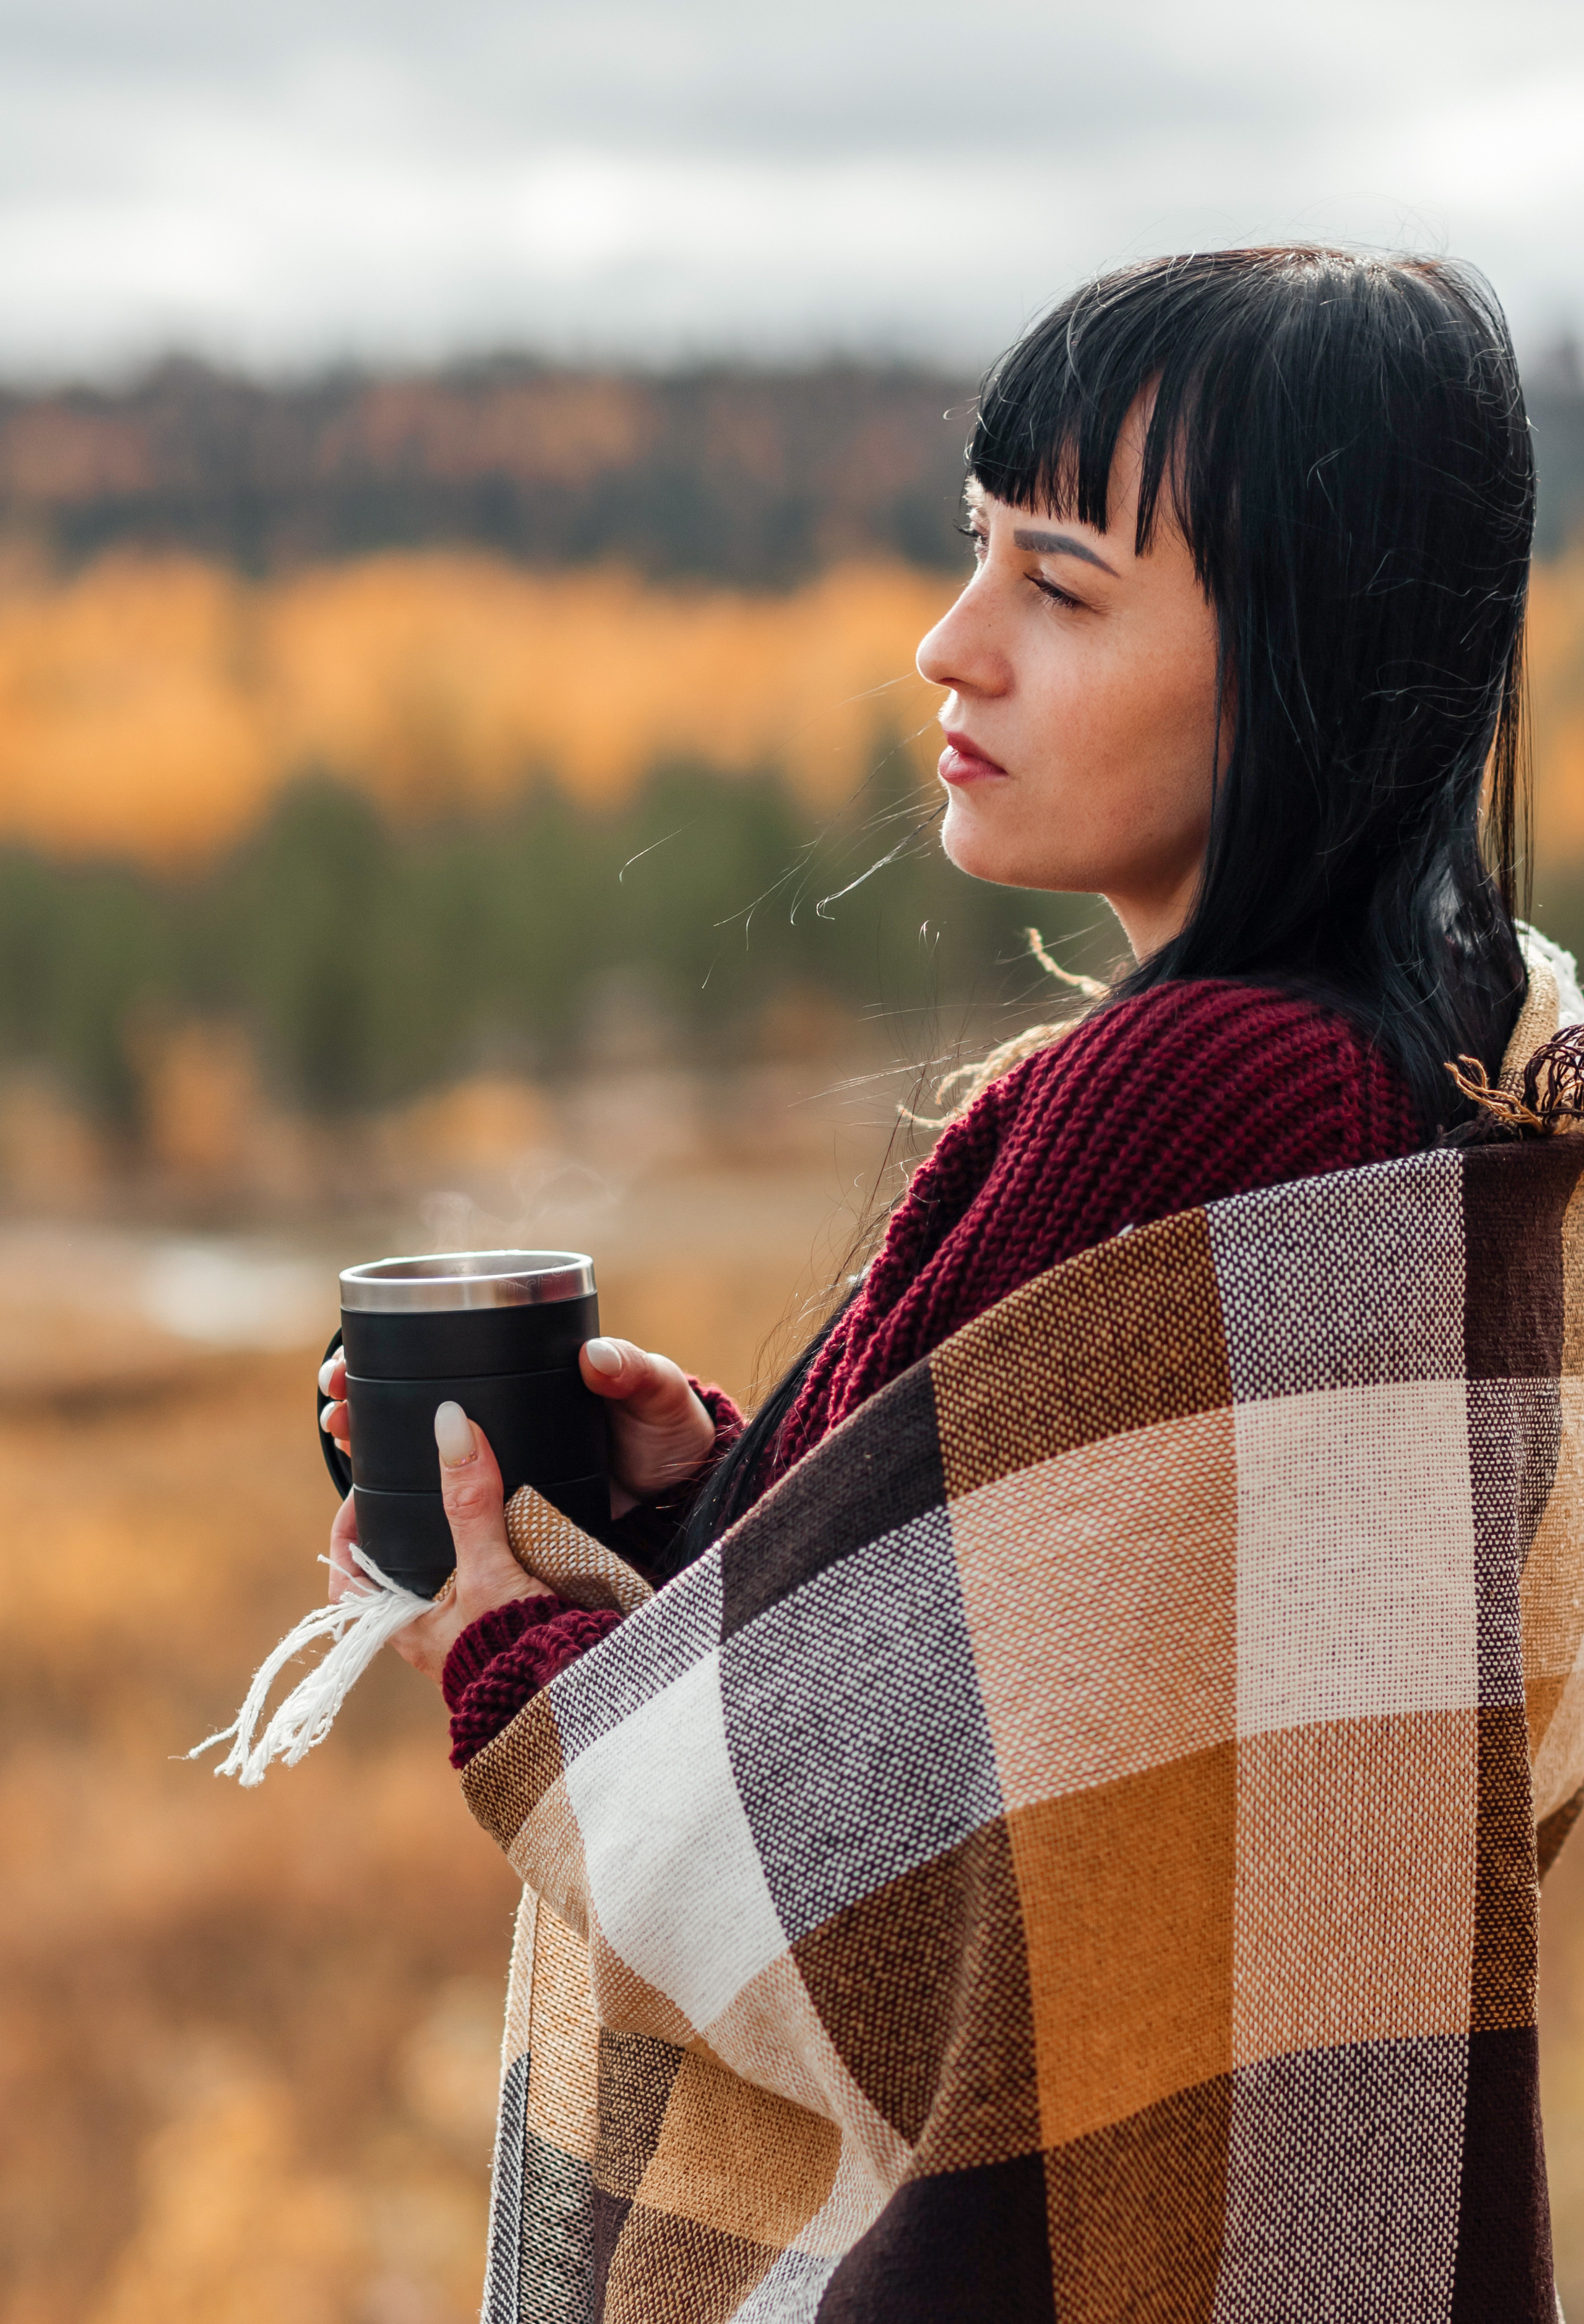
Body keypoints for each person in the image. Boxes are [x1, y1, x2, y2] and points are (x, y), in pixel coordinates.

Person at [321, 248, 1584, 2318]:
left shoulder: (1202, 1090)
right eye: (972, 552)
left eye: (1058, 590)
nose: (948, 645)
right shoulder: (1439, 1046)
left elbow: (863, 1871)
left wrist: (504, 1653)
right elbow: (1075, 1701)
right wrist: (713, 1499)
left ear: (1314, 655)